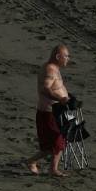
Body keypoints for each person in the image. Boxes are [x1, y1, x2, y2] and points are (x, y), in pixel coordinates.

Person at [25, 44, 71, 176]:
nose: (68, 59)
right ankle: (31, 161)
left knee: (60, 142)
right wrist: (60, 99)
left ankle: (53, 169)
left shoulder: (54, 68)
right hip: (48, 112)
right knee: (54, 143)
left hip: (57, 112)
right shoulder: (50, 69)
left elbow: (56, 86)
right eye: (66, 56)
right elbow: (45, 89)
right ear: (58, 56)